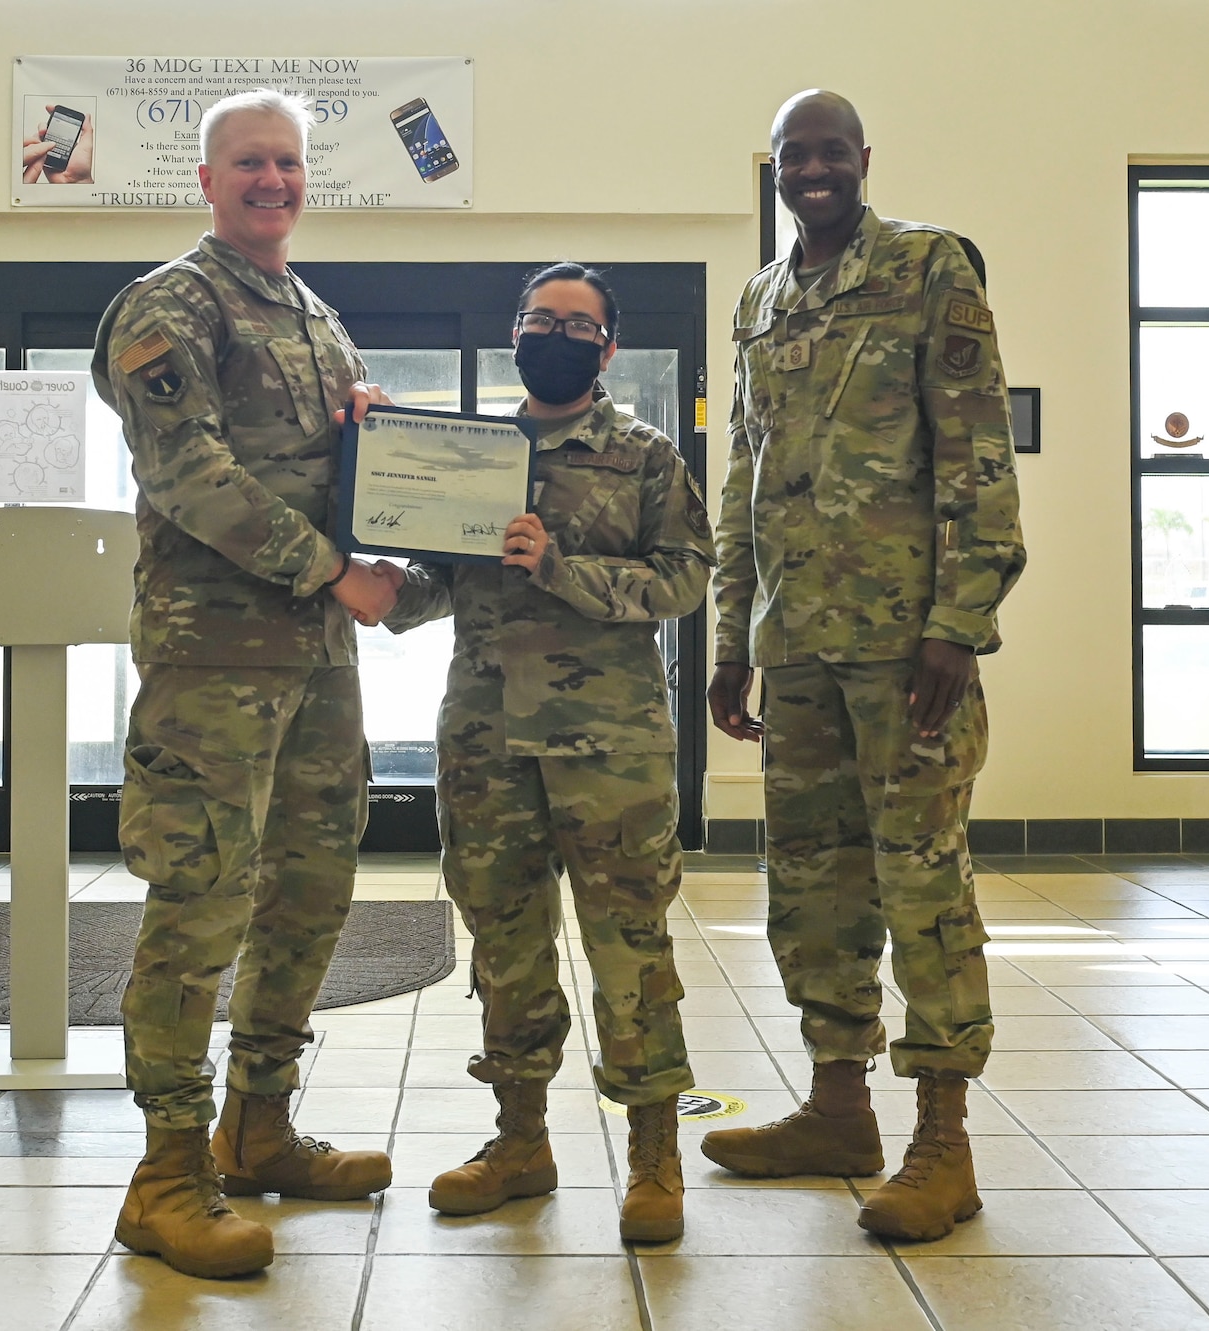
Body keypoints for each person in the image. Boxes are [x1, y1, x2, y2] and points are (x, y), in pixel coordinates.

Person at [701, 90, 1026, 1244]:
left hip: (902, 650)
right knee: (811, 883)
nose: (814, 170)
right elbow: (744, 479)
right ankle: (838, 1108)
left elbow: (977, 450)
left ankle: (942, 1140)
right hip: (794, 648)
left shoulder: (928, 269)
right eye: (795, 155)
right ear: (776, 168)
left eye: (831, 152)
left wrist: (957, 621)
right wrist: (730, 635)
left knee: (920, 883)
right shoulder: (759, 300)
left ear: (862, 159)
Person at [91, 88, 405, 1280]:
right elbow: (190, 474)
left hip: (314, 660)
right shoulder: (167, 306)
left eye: (288, 162)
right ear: (208, 180)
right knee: (200, 901)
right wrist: (333, 569)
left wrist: (372, 438)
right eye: (249, 163)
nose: (272, 180)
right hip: (213, 659)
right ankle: (167, 1173)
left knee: (308, 892)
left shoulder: (317, 316)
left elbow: (337, 465)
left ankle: (258, 1125)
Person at [380, 263, 715, 1243]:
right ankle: (519, 1140)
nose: (555, 336)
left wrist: (560, 568)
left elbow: (682, 580)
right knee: (504, 944)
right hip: (486, 738)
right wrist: (372, 581)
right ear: (514, 332)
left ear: (608, 347)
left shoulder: (645, 457)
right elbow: (431, 580)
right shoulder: (470, 457)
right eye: (539, 319)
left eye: (577, 324)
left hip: (609, 745)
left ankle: (653, 1154)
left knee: (628, 947)